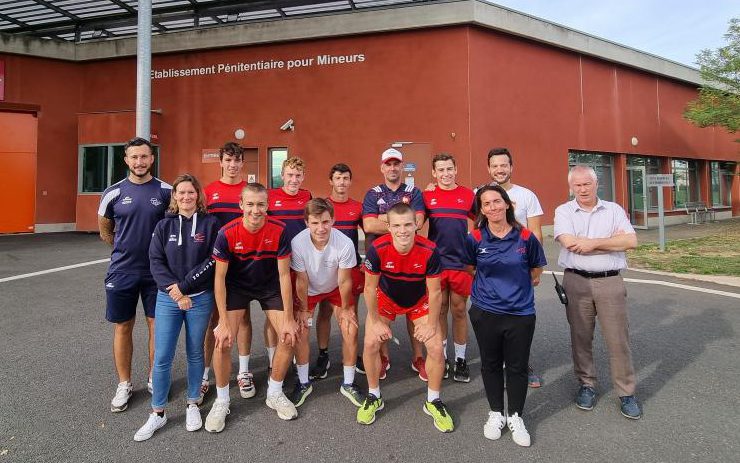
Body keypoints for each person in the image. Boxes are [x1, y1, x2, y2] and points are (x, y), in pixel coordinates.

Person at [204, 183, 301, 432]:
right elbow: (219, 279)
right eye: (250, 204)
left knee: (289, 336)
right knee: (223, 340)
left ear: (268, 206)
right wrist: (223, 321)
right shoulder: (227, 232)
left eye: (260, 204)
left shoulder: (279, 230)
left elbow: (283, 276)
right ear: (241, 205)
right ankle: (222, 400)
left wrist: (289, 318)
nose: (255, 210)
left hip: (269, 285)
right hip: (237, 286)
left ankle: (275, 392)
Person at [134, 174, 220, 441]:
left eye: (190, 192)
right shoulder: (163, 226)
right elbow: (155, 261)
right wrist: (176, 291)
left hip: (199, 298)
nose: (186, 197)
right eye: (181, 193)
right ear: (174, 197)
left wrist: (185, 286)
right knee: (162, 356)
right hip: (168, 299)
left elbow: (212, 261)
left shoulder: (210, 223)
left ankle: (193, 403)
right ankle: (157, 413)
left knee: (195, 352)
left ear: (198, 195)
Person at [553, 165, 641, 420]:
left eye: (587, 184)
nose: (582, 189)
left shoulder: (613, 210)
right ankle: (587, 385)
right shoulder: (563, 211)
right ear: (571, 187)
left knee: (618, 340)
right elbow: (570, 243)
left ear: (596, 184)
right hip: (576, 281)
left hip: (610, 282)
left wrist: (591, 243)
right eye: (577, 185)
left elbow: (631, 241)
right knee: (581, 338)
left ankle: (626, 392)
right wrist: (612, 243)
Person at [357, 203, 454, 433]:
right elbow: (369, 289)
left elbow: (436, 292)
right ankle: (374, 396)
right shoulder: (377, 248)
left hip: (419, 301)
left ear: (416, 225)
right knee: (371, 342)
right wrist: (377, 321)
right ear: (388, 226)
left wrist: (431, 325)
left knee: (436, 348)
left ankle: (433, 401)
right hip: (387, 299)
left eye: (408, 224)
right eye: (397, 225)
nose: (403, 231)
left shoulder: (429, 250)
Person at [463, 185, 546, 447]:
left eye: (497, 201)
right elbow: (469, 268)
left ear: (508, 204)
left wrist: (513, 291)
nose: (492, 207)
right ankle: (496, 413)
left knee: (517, 367)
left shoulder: (526, 237)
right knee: (490, 364)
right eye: (486, 204)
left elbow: (535, 272)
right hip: (485, 313)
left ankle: (516, 416)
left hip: (520, 314)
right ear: (482, 210)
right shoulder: (475, 238)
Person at [98, 137, 171, 413]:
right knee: (123, 327)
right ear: (126, 160)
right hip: (123, 271)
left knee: (156, 326)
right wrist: (123, 248)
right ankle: (124, 383)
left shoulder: (166, 191)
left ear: (152, 159)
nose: (139, 162)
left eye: (144, 156)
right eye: (134, 157)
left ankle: (154, 376)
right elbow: (105, 229)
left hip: (157, 274)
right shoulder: (113, 193)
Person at [479, 147, 545, 388]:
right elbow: (474, 231)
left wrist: (535, 267)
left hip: (519, 268)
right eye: (495, 165)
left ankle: (521, 365)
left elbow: (536, 232)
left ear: (511, 167)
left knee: (519, 320)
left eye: (503, 165)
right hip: (490, 270)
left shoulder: (527, 196)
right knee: (492, 318)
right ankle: (496, 366)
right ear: (488, 168)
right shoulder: (480, 194)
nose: (499, 169)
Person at [290, 198, 362, 407]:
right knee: (301, 330)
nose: (321, 228)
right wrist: (303, 310)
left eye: (325, 222)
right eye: (315, 223)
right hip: (309, 289)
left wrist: (347, 309)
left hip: (335, 287)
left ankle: (348, 383)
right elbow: (301, 280)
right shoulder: (298, 243)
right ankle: (304, 382)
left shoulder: (345, 243)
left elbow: (345, 280)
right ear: (306, 222)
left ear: (333, 221)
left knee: (350, 327)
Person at [362, 148, 426, 381]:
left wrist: (384, 219)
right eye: (388, 164)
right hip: (380, 261)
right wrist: (401, 222)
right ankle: (384, 356)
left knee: (414, 309)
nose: (392, 168)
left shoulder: (413, 191)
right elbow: (368, 225)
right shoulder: (372, 193)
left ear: (402, 166)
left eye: (396, 164)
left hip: (410, 259)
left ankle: (418, 357)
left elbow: (417, 223)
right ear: (382, 167)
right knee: (381, 311)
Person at [203, 142, 256, 401]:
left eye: (237, 160)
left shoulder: (249, 192)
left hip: (245, 265)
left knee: (244, 318)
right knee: (214, 321)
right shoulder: (209, 192)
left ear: (241, 163)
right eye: (228, 160)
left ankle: (244, 371)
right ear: (221, 162)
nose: (233, 165)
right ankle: (204, 376)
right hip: (217, 265)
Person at [422, 153, 475, 382]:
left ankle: (461, 359)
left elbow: (483, 221)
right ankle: (441, 356)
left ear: (456, 169)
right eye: (440, 170)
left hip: (460, 263)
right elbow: (413, 222)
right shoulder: (427, 196)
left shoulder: (468, 195)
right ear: (434, 173)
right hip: (436, 263)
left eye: (449, 169)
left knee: (459, 310)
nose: (445, 174)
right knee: (440, 309)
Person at [312, 163, 365, 380]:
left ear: (350, 181)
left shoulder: (358, 207)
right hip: (325, 270)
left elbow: (370, 232)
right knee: (324, 312)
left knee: (350, 314)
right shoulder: (323, 206)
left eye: (345, 178)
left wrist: (368, 262)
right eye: (338, 178)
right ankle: (323, 356)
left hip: (349, 269)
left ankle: (350, 356)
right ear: (331, 181)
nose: (342, 183)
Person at [266, 156, 313, 368]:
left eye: (298, 175)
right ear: (282, 176)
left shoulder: (307, 196)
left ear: (303, 177)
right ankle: (272, 359)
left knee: (297, 309)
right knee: (274, 313)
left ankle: (295, 354)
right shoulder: (270, 196)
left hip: (300, 263)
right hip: (276, 263)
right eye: (290, 175)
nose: (294, 179)